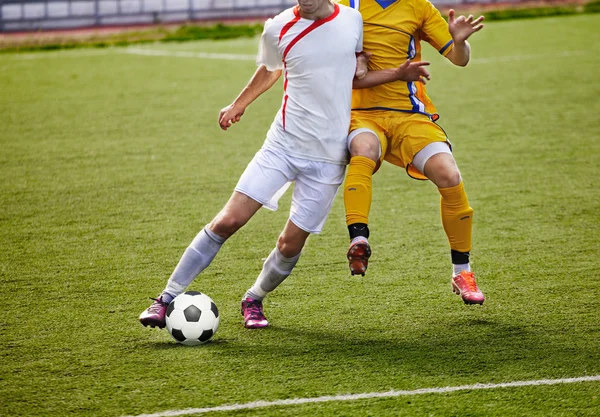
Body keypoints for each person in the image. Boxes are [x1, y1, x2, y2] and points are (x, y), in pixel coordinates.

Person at [139, 0, 365, 329]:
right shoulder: (278, 27)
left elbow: (358, 63)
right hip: (283, 145)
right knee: (228, 220)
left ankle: (253, 299)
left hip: (328, 158)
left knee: (290, 245)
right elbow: (271, 69)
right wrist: (239, 103)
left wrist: (375, 71)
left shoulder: (352, 21)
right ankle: (166, 298)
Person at [338, 0, 486, 305]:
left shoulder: (419, 7)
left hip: (409, 114)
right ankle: (359, 239)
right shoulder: (345, 6)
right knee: (363, 148)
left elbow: (460, 60)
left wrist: (459, 42)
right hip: (361, 113)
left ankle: (463, 272)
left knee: (449, 173)